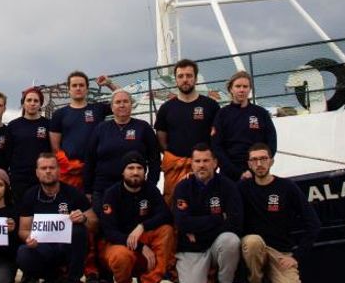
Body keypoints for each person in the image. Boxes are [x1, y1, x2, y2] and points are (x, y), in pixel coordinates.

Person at [239, 143, 321, 283]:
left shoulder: (287, 187)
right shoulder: (242, 188)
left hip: (280, 253)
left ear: (271, 161)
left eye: (263, 158)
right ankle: (255, 280)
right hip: (254, 253)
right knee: (253, 241)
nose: (259, 164)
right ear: (249, 164)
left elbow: (314, 223)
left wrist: (296, 256)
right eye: (254, 160)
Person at [17, 153, 97, 283]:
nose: (48, 171)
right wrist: (29, 238)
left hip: (66, 249)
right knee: (23, 252)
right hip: (42, 247)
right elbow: (23, 230)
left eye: (52, 167)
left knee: (78, 230)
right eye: (43, 168)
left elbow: (95, 224)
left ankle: (73, 279)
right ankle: (49, 277)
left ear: (59, 171)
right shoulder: (30, 195)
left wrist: (83, 219)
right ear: (37, 172)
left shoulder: (73, 193)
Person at [154, 58, 221, 207]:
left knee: (207, 204)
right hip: (175, 167)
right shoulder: (166, 108)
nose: (185, 80)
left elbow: (218, 137)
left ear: (195, 78)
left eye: (189, 76)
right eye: (181, 76)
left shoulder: (211, 106)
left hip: (204, 168)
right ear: (176, 79)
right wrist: (173, 157)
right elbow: (161, 138)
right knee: (174, 206)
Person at [172, 143, 242, 283]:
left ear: (215, 163)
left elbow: (235, 222)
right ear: (191, 164)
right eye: (197, 161)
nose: (201, 165)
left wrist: (198, 231)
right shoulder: (182, 187)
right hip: (191, 249)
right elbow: (182, 223)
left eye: (206, 160)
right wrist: (218, 218)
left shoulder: (228, 186)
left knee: (230, 240)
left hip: (215, 245)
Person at [99, 152, 173, 283]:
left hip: (142, 237)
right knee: (121, 256)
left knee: (166, 231)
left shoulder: (151, 189)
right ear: (123, 172)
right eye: (130, 168)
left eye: (139, 168)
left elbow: (166, 214)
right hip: (119, 243)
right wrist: (140, 246)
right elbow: (109, 232)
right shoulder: (112, 194)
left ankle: (150, 280)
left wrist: (143, 226)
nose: (135, 172)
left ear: (145, 172)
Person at [85, 90, 161, 207]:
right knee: (105, 223)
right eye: (118, 102)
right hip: (103, 188)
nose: (122, 105)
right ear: (112, 107)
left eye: (126, 101)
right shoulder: (101, 129)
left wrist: (151, 184)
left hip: (135, 188)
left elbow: (154, 159)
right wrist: (88, 190)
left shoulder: (143, 127)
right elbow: (90, 159)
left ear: (131, 104)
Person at [49, 71, 116, 189]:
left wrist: (110, 84)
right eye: (74, 86)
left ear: (87, 88)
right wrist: (66, 163)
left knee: (97, 204)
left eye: (81, 85)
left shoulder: (98, 108)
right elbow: (55, 146)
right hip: (71, 172)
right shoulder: (59, 114)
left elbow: (128, 101)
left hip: (97, 168)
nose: (78, 88)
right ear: (69, 89)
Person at [211, 71, 277, 181]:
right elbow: (216, 146)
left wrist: (254, 169)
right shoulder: (222, 114)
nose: (241, 90)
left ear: (250, 89)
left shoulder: (261, 113)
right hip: (229, 175)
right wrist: (237, 173)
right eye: (238, 86)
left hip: (257, 173)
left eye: (245, 86)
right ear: (231, 89)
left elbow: (271, 143)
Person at [6, 87, 52, 202]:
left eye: (36, 101)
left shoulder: (48, 124)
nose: (32, 103)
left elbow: (53, 151)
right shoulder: (13, 125)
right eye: (29, 100)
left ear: (40, 104)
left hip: (42, 177)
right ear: (23, 103)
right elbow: (7, 154)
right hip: (19, 179)